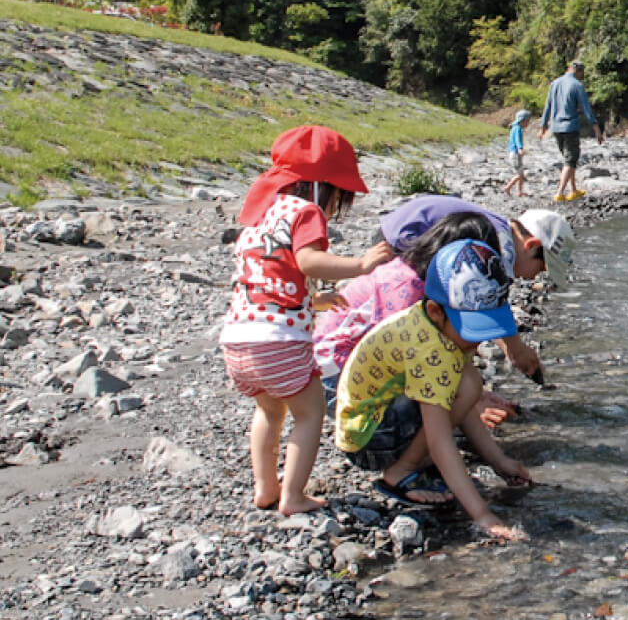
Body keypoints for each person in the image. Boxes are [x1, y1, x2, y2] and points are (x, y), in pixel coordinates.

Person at [220, 125, 394, 515]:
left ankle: (265, 487)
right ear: (321, 187)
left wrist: (313, 301)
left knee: (268, 411)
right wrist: (361, 265)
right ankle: (294, 495)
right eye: (338, 198)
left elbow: (269, 280)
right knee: (310, 412)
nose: (335, 209)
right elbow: (307, 261)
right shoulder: (306, 211)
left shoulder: (262, 214)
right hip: (278, 343)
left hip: (238, 338)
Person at [335, 238, 534, 540]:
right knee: (464, 388)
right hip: (369, 437)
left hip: (382, 419)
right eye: (473, 330)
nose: (478, 342)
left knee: (469, 384)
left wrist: (500, 462)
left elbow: (464, 406)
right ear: (436, 311)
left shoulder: (441, 329)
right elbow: (441, 438)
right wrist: (483, 515)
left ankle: (414, 462)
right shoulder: (428, 349)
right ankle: (400, 472)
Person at [315, 203, 573, 424]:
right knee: (435, 377)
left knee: (448, 367)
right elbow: (479, 315)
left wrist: (477, 393)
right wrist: (470, 404)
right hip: (336, 383)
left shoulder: (488, 232)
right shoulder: (494, 252)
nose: (532, 277)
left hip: (339, 364)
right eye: (540, 268)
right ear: (531, 245)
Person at [538, 60, 604, 202]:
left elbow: (547, 106)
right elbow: (586, 108)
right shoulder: (577, 85)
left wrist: (543, 126)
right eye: (582, 74)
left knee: (569, 160)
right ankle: (560, 193)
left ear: (569, 69)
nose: (582, 76)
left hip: (555, 128)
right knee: (570, 160)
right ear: (579, 72)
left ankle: (573, 190)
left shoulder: (554, 83)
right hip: (570, 127)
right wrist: (596, 129)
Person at [501, 109, 530, 197]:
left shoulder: (514, 128)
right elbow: (517, 140)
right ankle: (507, 187)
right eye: (528, 121)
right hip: (515, 154)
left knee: (521, 173)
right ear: (523, 120)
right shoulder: (518, 129)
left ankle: (519, 192)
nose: (528, 123)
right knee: (520, 175)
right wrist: (520, 148)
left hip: (513, 153)